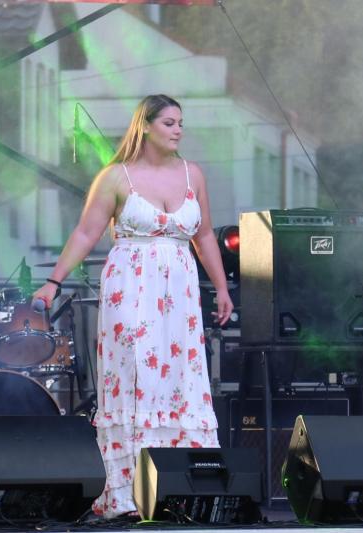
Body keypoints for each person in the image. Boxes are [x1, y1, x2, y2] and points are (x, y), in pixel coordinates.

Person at [34, 94, 233, 517]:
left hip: (179, 292)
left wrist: (221, 288)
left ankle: (181, 490)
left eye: (180, 123)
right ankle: (127, 493)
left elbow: (205, 236)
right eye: (169, 123)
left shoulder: (192, 174)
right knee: (136, 374)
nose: (178, 130)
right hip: (131, 285)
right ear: (145, 126)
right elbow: (86, 233)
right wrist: (53, 282)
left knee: (180, 378)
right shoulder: (116, 177)